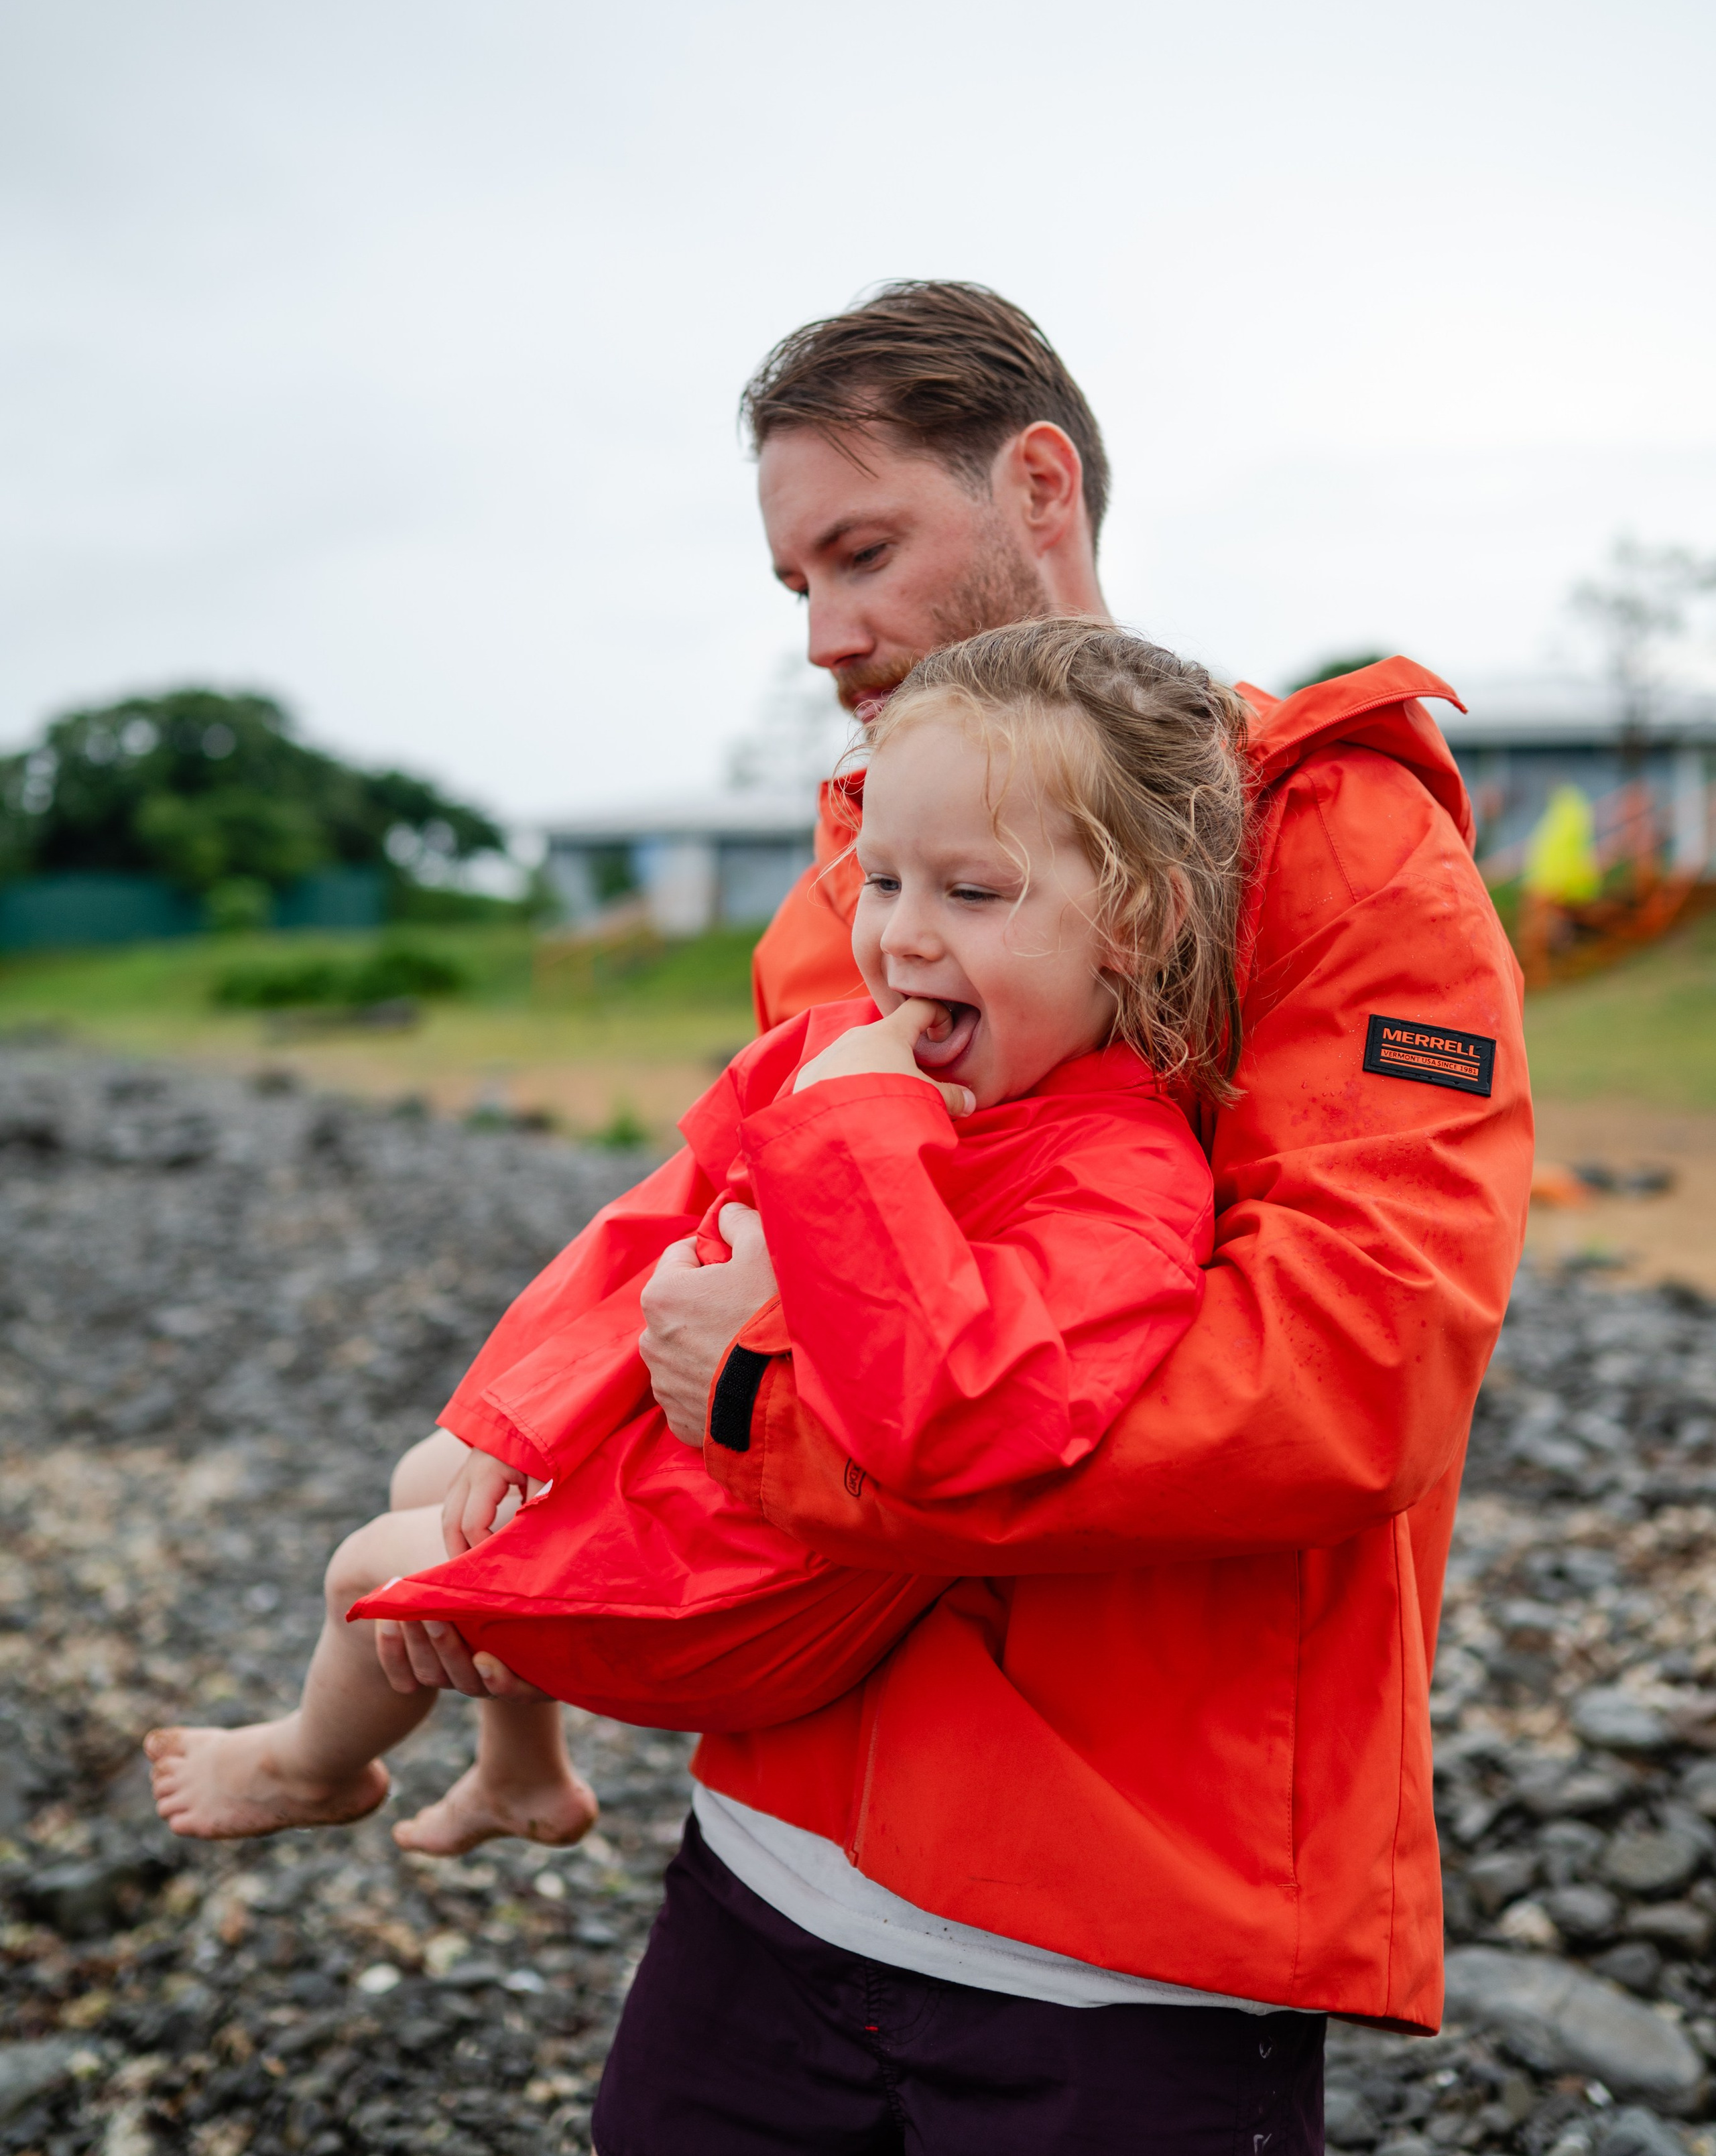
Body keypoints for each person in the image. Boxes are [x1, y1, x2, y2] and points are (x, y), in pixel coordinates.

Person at [578, 281, 1534, 2156]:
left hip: (1125, 1933)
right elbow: (702, 1256)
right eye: (793, 584)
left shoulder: (1327, 839)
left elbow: (1338, 1388)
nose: (827, 634)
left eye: (863, 552)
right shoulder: (857, 877)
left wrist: (764, 1413)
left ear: (1039, 485)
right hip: (767, 1844)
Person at [145, 620, 1233, 1875]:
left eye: (972, 892)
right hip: (710, 1479)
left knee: (371, 1566)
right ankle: (523, 1775)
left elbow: (954, 1416)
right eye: (883, 881)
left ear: (1136, 923)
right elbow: (650, 1265)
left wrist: (856, 1123)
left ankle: (310, 1763)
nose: (904, 940)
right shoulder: (836, 1057)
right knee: (430, 1475)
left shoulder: (1123, 1178)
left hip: (766, 1586)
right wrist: (529, 1428)